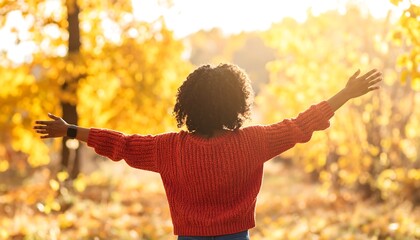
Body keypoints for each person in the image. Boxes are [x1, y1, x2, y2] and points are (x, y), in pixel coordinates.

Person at [34, 63, 382, 239]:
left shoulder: (168, 149)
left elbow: (121, 144)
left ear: (188, 104)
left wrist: (72, 131)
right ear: (238, 103)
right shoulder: (253, 142)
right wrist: (344, 95)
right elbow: (302, 124)